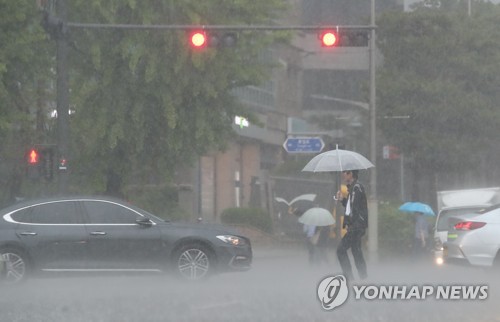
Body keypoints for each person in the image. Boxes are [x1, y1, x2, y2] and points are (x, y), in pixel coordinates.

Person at [336, 169, 368, 280]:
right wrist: (343, 199)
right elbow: (352, 205)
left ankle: (350, 278)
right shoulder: (353, 188)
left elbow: (354, 208)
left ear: (351, 174)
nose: (343, 174)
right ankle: (363, 278)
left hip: (356, 226)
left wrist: (352, 223)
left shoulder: (356, 188)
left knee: (341, 250)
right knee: (356, 251)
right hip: (356, 225)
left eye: (345, 172)